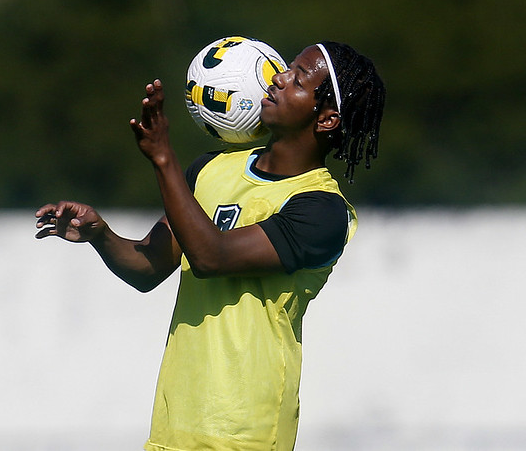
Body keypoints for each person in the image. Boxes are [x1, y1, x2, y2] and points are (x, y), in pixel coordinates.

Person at [35, 41, 385, 450]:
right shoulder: (211, 169)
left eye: (298, 78)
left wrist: (163, 158)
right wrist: (100, 235)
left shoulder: (322, 210)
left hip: (244, 431)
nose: (279, 78)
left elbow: (210, 256)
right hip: (174, 426)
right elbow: (146, 268)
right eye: (286, 68)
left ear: (326, 119)